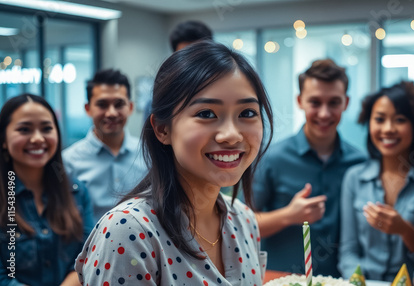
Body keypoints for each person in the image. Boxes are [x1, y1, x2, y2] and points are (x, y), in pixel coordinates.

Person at [75, 41, 273, 285]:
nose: (231, 135)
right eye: (206, 114)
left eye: (247, 113)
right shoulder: (128, 231)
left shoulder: (244, 220)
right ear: (162, 129)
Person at [252, 59, 366, 276]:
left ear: (346, 102)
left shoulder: (359, 163)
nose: (324, 113)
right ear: (299, 101)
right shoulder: (272, 159)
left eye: (334, 102)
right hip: (281, 280)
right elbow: (239, 225)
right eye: (315, 102)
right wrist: (288, 215)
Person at [338, 81, 414, 282]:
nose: (388, 129)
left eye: (400, 119)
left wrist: (404, 229)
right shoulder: (355, 178)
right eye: (379, 119)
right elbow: (347, 251)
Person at [0, 94, 93, 286]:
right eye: (24, 129)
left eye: (46, 128)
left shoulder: (77, 191)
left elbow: (88, 257)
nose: (37, 138)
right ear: (3, 139)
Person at [63, 69, 147, 222]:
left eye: (119, 104)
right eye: (102, 105)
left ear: (130, 107)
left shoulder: (149, 154)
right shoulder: (68, 161)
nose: (111, 113)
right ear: (88, 109)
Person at [143, 20, 213, 122]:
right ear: (175, 57)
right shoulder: (157, 103)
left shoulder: (227, 95)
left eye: (198, 55)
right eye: (186, 56)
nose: (193, 63)